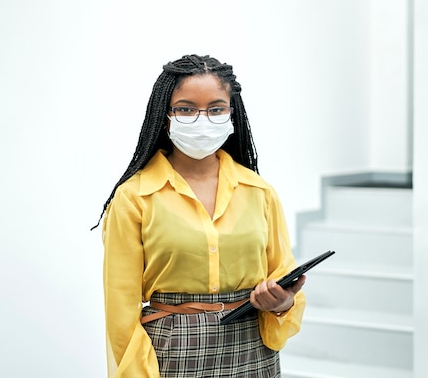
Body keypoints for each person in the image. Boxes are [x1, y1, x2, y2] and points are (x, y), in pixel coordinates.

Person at [95, 54, 306, 378]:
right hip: (172, 352)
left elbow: (284, 281)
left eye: (216, 108)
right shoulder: (134, 197)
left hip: (250, 347)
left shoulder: (260, 192)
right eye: (186, 108)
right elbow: (120, 314)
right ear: (164, 115)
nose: (202, 119)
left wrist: (281, 303)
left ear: (231, 113)